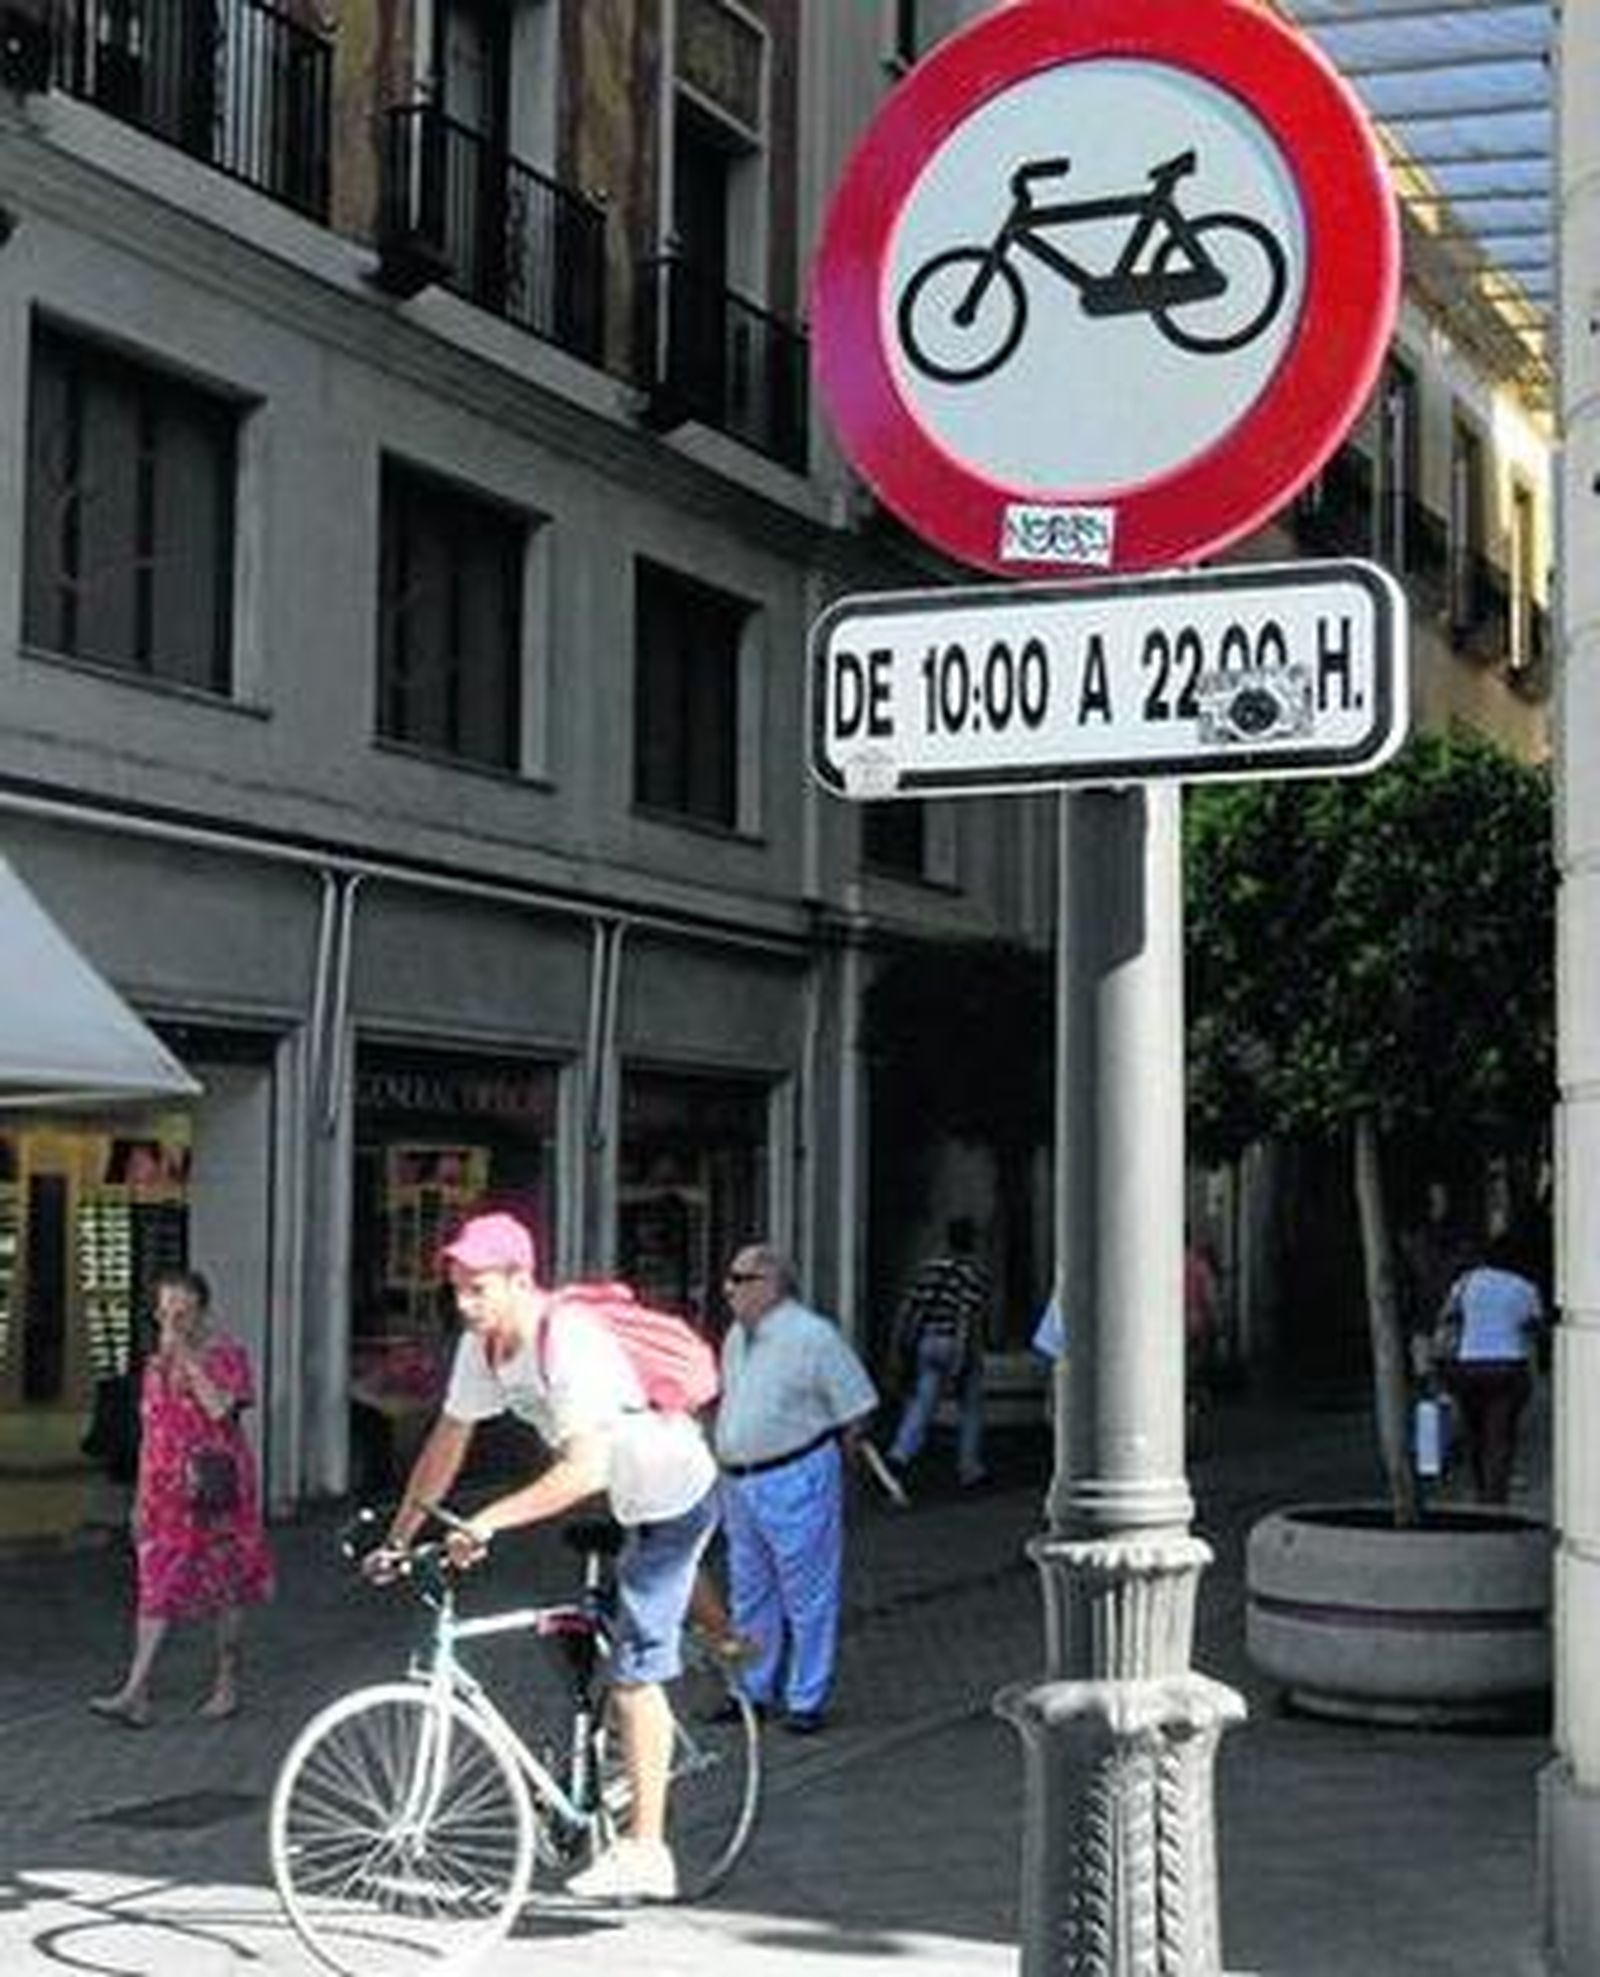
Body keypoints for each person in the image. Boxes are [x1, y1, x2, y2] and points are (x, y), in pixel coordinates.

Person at [370, 1211, 719, 1903]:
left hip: (672, 1488)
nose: (465, 1304)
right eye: (458, 1288)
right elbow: (448, 1438)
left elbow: (584, 1468)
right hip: (621, 1496)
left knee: (634, 1667)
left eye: (478, 1288)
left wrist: (489, 1520)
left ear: (520, 1280)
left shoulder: (570, 1341)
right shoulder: (484, 1344)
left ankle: (649, 1850)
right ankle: (717, 1638)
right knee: (609, 1611)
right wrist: (400, 1538)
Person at [89, 1269, 274, 1727]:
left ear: (201, 1313)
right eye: (166, 1312)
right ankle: (137, 1689)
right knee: (155, 1585)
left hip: (217, 1490)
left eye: (183, 1312)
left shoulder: (227, 1355)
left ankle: (227, 1681)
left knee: (225, 1584)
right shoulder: (154, 1368)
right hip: (166, 1495)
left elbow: (220, 1410)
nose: (173, 1322)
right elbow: (153, 1433)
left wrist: (189, 1360)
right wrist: (139, 1497)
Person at [714, 1243, 879, 1734]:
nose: (728, 1288)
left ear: (771, 1284)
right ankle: (751, 1690)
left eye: (739, 1279)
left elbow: (857, 1408)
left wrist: (835, 1471)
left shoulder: (813, 1336)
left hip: (795, 1473)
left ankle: (806, 1698)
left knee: (807, 1592)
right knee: (749, 1590)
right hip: (740, 1480)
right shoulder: (736, 1337)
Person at [1434, 1231, 1546, 1504]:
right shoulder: (1525, 1287)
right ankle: (1494, 1496)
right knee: (1501, 1434)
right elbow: (1536, 1325)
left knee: (1474, 1431)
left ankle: (1479, 1485)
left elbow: (1448, 1316)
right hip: (1508, 1366)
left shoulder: (1466, 1282)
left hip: (1468, 1366)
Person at [885, 1216, 993, 1488]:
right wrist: (962, 1356)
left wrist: (900, 1344)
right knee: (971, 1407)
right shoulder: (972, 1272)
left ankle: (900, 1453)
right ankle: (969, 1468)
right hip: (954, 1342)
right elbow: (967, 1316)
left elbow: (909, 1307)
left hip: (927, 1341)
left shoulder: (929, 1269)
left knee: (923, 1400)